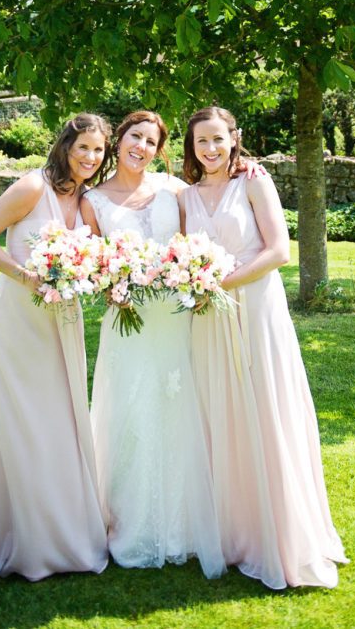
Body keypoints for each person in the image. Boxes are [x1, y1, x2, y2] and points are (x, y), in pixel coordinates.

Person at [179, 105, 348, 590]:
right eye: (200, 142)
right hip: (209, 318)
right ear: (191, 148)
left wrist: (222, 282)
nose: (209, 149)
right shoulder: (186, 196)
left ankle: (277, 535)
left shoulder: (255, 181)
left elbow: (279, 251)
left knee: (265, 407)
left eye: (217, 139)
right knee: (222, 413)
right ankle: (232, 534)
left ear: (235, 137)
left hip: (254, 308)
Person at [0, 113, 112, 581]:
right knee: (22, 426)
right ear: (66, 145)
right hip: (20, 321)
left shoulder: (87, 201)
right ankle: (11, 543)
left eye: (98, 150)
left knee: (61, 424)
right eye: (83, 147)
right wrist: (26, 275)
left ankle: (62, 538)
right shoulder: (32, 187)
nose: (90, 158)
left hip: (62, 321)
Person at [80, 110, 226, 578]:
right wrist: (112, 288)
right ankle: (132, 526)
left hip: (174, 318)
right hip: (129, 322)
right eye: (134, 137)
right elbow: (94, 266)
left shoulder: (173, 190)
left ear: (160, 150)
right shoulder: (94, 201)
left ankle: (182, 528)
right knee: (130, 417)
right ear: (118, 140)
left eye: (151, 141)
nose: (141, 147)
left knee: (179, 414)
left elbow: (212, 194)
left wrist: (247, 166)